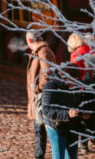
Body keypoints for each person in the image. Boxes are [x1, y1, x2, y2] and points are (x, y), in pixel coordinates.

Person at [42, 63, 82, 159]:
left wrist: (82, 113)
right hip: (56, 126)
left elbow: (79, 103)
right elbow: (47, 110)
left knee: (72, 156)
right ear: (67, 77)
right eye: (73, 80)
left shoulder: (75, 85)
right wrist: (67, 114)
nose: (75, 83)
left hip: (72, 126)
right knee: (59, 156)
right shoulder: (51, 85)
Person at [27, 29, 57, 159]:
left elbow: (47, 74)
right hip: (38, 96)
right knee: (39, 126)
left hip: (41, 96)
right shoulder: (39, 51)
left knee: (40, 127)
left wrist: (38, 89)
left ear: (29, 41)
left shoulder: (43, 52)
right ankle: (38, 154)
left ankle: (39, 155)